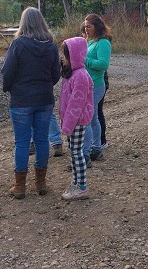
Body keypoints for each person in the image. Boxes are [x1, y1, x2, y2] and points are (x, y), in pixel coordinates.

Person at [1, 7, 61, 199]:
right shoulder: (51, 46)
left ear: (23, 22)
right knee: (42, 140)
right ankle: (41, 184)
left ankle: (20, 187)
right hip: (44, 99)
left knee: (22, 142)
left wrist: (9, 88)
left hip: (21, 100)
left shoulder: (18, 44)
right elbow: (55, 75)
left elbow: (7, 72)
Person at [57, 37, 95, 200]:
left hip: (77, 121)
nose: (61, 57)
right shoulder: (72, 73)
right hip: (72, 121)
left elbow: (75, 104)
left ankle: (82, 187)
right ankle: (76, 182)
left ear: (74, 55)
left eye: (65, 54)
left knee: (76, 152)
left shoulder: (80, 76)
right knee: (73, 152)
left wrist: (67, 125)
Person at [82, 13, 112, 162]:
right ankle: (96, 148)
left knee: (88, 118)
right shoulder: (90, 41)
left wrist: (84, 60)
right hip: (87, 85)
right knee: (93, 118)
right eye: (85, 26)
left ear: (97, 27)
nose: (86, 29)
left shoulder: (103, 43)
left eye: (89, 26)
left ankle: (87, 153)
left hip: (96, 85)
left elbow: (103, 64)